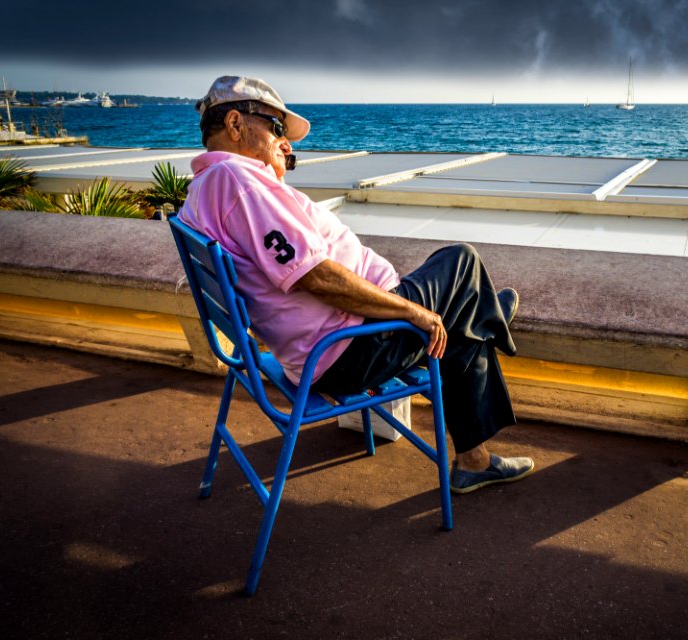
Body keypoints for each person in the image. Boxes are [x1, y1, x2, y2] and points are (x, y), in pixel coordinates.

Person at [178, 76, 534, 494]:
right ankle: (485, 319)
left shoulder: (204, 189)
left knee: (457, 316)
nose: (286, 144)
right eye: (277, 129)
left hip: (325, 345)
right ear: (236, 124)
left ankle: (478, 328)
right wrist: (409, 310)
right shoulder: (242, 184)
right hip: (348, 349)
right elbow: (316, 276)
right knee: (461, 262)